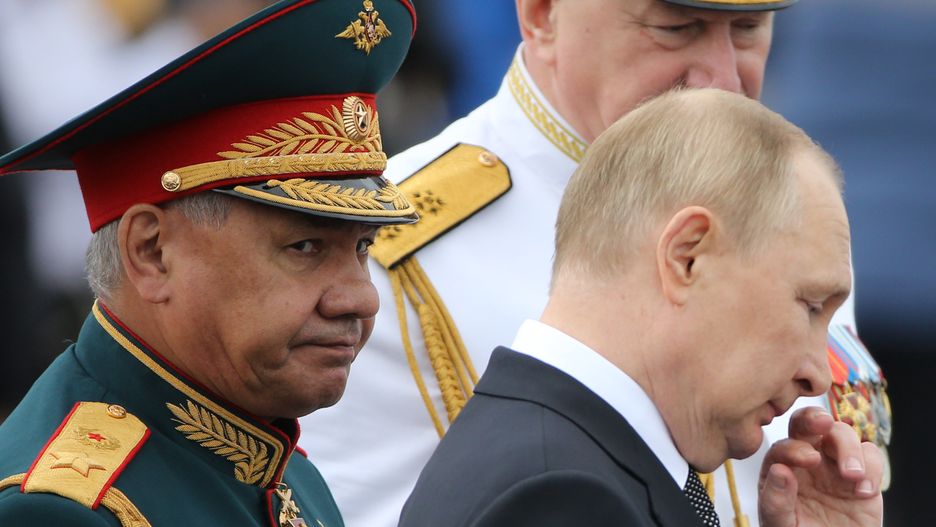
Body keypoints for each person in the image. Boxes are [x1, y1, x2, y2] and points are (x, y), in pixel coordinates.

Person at [297, 0, 892, 525]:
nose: (720, 77)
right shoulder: (381, 244)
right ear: (542, 14)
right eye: (676, 28)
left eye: (747, 29)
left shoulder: (793, 209)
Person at [0, 0, 417, 525]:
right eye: (305, 247)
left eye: (362, 247)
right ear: (151, 253)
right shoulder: (63, 510)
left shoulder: (276, 465)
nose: (361, 298)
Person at [398, 87, 883, 527]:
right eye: (810, 306)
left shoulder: (566, 460)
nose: (819, 376)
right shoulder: (564, 500)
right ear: (687, 257)